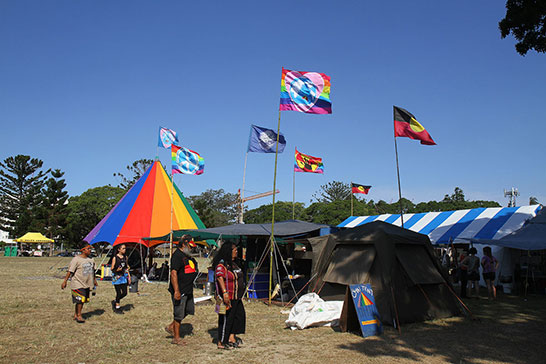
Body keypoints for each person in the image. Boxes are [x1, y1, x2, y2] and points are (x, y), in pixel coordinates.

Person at [165, 235, 198, 345]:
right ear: (183, 244)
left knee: (188, 310)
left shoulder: (187, 256)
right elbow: (173, 273)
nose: (191, 248)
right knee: (178, 314)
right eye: (190, 246)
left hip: (188, 289)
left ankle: (171, 326)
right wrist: (177, 291)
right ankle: (176, 338)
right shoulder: (177, 256)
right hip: (180, 289)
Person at [213, 241, 246, 350]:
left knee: (238, 316)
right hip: (225, 298)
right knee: (225, 319)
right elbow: (219, 277)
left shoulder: (234, 263)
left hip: (236, 296)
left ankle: (231, 337)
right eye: (235, 250)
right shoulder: (221, 264)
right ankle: (222, 341)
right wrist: (225, 292)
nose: (236, 252)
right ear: (229, 251)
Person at [61, 243, 97, 323]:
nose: (90, 250)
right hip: (78, 282)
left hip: (87, 283)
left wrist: (94, 281)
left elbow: (93, 271)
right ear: (83, 250)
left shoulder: (91, 259)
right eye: (88, 249)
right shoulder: (76, 259)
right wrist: (65, 281)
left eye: (90, 249)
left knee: (82, 300)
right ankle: (79, 316)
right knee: (80, 299)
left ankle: (76, 314)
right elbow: (70, 271)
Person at [111, 244, 131, 314]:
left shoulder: (126, 257)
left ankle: (115, 301)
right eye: (123, 248)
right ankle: (117, 307)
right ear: (119, 249)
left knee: (125, 292)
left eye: (125, 248)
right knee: (118, 292)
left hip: (123, 277)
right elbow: (112, 268)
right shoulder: (115, 258)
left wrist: (129, 276)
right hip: (117, 277)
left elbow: (126, 267)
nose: (124, 250)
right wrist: (117, 270)